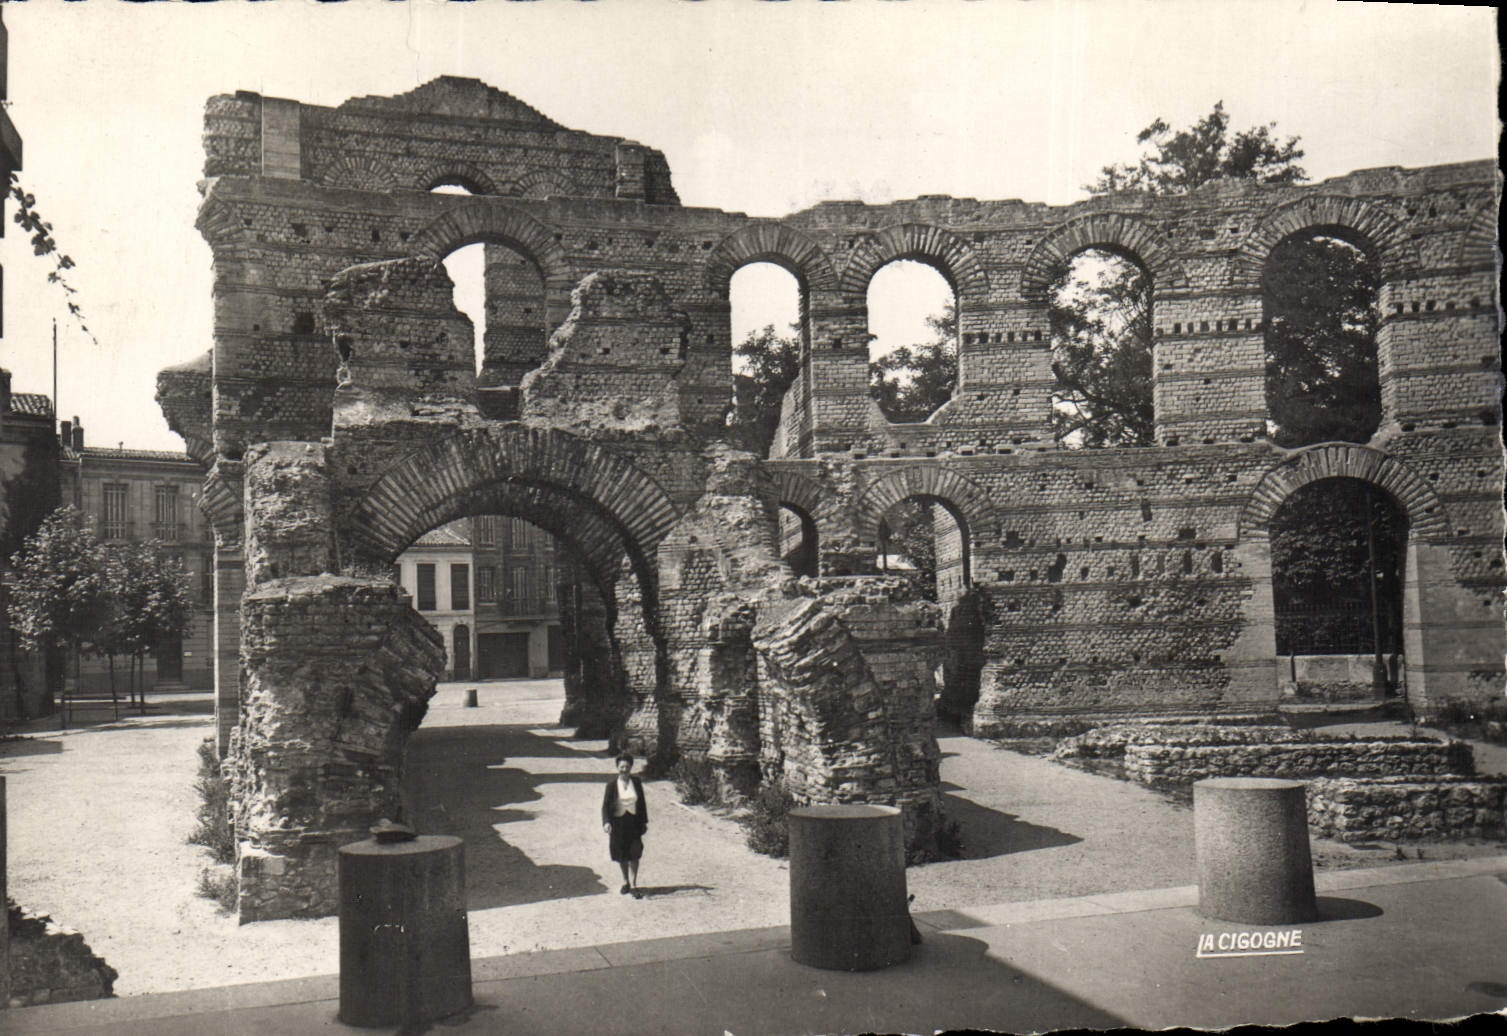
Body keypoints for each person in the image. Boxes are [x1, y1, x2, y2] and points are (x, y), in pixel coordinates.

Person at [601, 751, 648, 898]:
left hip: (633, 823)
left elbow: (642, 803)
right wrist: (606, 822)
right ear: (617, 768)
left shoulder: (637, 783)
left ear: (631, 767)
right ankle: (625, 882)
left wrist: (644, 822)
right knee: (621, 854)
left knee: (634, 853)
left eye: (627, 767)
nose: (624, 770)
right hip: (618, 823)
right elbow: (605, 806)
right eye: (621, 767)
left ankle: (634, 884)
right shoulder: (611, 786)